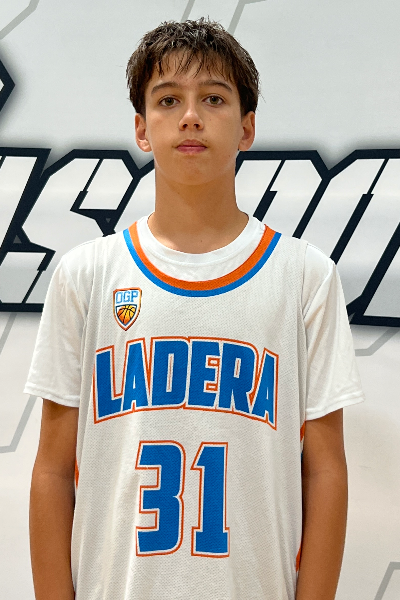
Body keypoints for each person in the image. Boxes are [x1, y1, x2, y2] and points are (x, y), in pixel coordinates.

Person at [25, 18, 364, 600]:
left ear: (247, 126)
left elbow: (325, 470)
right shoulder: (87, 274)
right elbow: (53, 470)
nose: (190, 116)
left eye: (213, 98)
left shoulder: (305, 276)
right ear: (141, 127)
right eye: (167, 100)